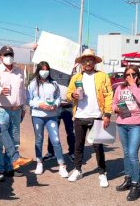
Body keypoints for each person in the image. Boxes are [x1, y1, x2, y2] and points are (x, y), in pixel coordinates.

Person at [66, 49, 112, 188]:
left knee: (98, 146)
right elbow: (68, 94)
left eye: (90, 60)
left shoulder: (103, 76)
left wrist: (107, 114)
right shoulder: (76, 78)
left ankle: (102, 173)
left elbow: (109, 95)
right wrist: (72, 96)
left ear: (94, 62)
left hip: (97, 115)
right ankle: (78, 170)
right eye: (85, 60)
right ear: (81, 63)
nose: (87, 63)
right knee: (78, 146)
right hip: (80, 115)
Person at [0, 45, 32, 177]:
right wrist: (0, 90)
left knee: (14, 139)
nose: (9, 57)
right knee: (0, 141)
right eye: (6, 55)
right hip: (2, 110)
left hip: (16, 110)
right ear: (0, 57)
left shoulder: (19, 71)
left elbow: (22, 91)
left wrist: (24, 107)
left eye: (11, 54)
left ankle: (11, 167)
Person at [112, 65, 140, 201]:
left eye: (133, 74)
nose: (130, 77)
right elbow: (114, 102)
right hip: (122, 123)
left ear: (138, 75)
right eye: (127, 75)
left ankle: (136, 184)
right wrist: (116, 109)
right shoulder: (120, 88)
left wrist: (133, 85)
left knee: (133, 153)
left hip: (136, 124)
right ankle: (128, 179)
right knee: (126, 152)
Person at [27, 61, 69, 177]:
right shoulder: (32, 84)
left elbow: (58, 98)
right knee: (39, 140)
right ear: (38, 70)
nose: (44, 72)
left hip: (51, 116)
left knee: (56, 140)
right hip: (37, 116)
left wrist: (55, 105)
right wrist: (38, 105)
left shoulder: (54, 84)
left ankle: (62, 165)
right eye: (42, 69)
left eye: (46, 69)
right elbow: (28, 100)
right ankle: (39, 162)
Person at [42, 69, 75, 163]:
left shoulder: (70, 70)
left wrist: (72, 70)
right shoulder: (51, 71)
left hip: (68, 105)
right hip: (56, 106)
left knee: (71, 131)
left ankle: (72, 152)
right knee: (52, 131)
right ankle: (51, 152)